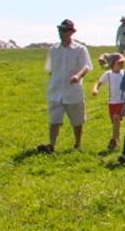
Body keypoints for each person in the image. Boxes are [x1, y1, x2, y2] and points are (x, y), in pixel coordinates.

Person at [37, 19, 92, 153]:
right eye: (60, 30)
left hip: (73, 90)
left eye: (64, 30)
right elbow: (50, 69)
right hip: (56, 90)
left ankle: (77, 144)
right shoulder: (53, 50)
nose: (61, 33)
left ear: (71, 32)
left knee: (77, 120)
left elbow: (86, 66)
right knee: (54, 119)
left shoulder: (80, 49)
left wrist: (78, 76)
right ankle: (51, 145)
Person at [92, 53, 125, 152]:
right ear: (112, 64)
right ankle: (117, 139)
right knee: (116, 122)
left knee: (116, 118)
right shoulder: (108, 74)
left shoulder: (124, 73)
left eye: (122, 62)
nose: (121, 64)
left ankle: (114, 139)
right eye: (119, 63)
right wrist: (95, 89)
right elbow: (98, 83)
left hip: (121, 101)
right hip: (112, 102)